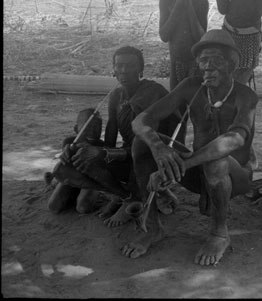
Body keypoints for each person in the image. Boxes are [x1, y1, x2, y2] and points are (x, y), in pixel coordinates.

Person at [122, 29, 258, 266]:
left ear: (232, 64)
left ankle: (219, 233)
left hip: (235, 177)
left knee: (217, 159)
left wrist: (181, 164)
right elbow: (140, 121)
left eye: (216, 60)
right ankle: (152, 228)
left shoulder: (245, 96)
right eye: (203, 60)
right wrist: (159, 149)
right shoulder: (191, 86)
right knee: (140, 143)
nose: (208, 66)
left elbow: (234, 140)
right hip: (197, 169)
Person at [49, 46, 180, 226]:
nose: (124, 70)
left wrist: (103, 154)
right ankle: (126, 196)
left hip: (149, 157)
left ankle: (138, 195)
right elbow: (109, 138)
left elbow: (149, 142)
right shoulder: (115, 96)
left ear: (140, 68)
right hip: (127, 155)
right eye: (119, 66)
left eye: (130, 66)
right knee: (62, 169)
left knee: (130, 153)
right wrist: (76, 150)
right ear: (114, 69)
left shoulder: (153, 92)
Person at [159, 0, 209, 144]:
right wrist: (179, 5)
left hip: (196, 66)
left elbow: (200, 37)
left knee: (198, 110)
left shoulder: (201, 3)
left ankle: (199, 150)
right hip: (176, 65)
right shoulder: (166, 2)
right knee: (177, 110)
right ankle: (177, 147)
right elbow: (165, 35)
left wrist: (188, 6)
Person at [46, 108, 104, 214]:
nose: (94, 131)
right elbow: (65, 167)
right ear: (76, 129)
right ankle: (55, 182)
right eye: (88, 126)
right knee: (53, 207)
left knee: (83, 207)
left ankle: (55, 182)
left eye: (98, 126)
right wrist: (66, 153)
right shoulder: (69, 142)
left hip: (91, 181)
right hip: (72, 179)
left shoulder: (101, 146)